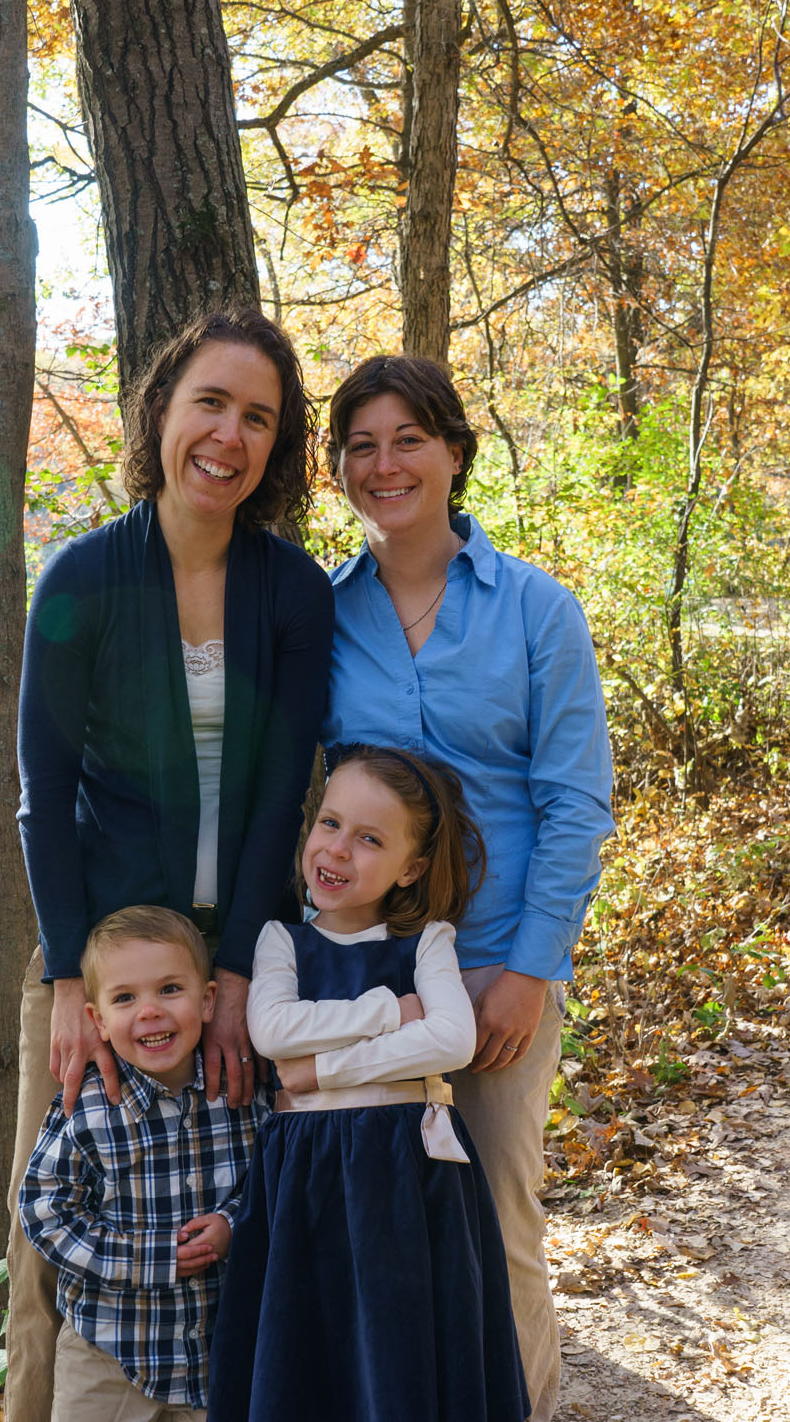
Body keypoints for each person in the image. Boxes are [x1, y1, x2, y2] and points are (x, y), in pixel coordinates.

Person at [9, 309, 334, 1422]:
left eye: (258, 418)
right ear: (162, 412)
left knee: (229, 1235)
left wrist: (241, 967)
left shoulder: (291, 592)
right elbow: (45, 796)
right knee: (54, 1260)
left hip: (237, 965)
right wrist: (64, 981)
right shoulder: (85, 579)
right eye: (211, 402)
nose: (229, 436)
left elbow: (288, 791)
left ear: (275, 447)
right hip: (99, 966)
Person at [320, 356, 615, 1422]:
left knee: (497, 1224)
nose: (384, 463)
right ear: (338, 468)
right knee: (376, 1229)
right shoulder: (325, 612)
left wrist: (529, 971)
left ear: (455, 453)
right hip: (365, 976)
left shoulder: (537, 610)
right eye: (361, 444)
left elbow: (577, 804)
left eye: (408, 439)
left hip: (494, 965)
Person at [207, 745, 529, 1422]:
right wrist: (393, 1011)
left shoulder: (427, 943)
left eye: (370, 839)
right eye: (329, 823)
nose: (338, 850)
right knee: (312, 1341)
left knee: (397, 1337)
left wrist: (321, 1071)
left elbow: (452, 1040)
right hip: (307, 1175)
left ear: (411, 868)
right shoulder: (280, 941)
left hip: (407, 1171)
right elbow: (273, 1031)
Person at [19, 906, 268, 1421]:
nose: (149, 1011)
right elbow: (45, 1210)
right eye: (125, 998)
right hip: (107, 1354)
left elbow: (275, 1182)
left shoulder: (242, 1095)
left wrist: (233, 1224)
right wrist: (150, 1258)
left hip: (213, 1359)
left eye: (170, 990)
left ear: (208, 1001)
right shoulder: (88, 1108)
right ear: (97, 1020)